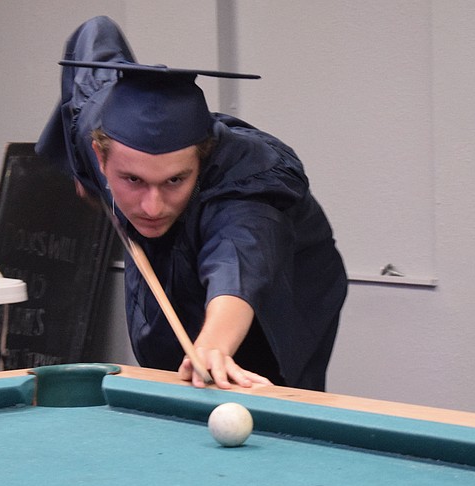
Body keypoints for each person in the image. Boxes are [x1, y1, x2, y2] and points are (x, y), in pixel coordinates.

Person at [37, 16, 347, 391]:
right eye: (133, 180)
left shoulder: (246, 185)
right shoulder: (96, 126)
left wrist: (215, 343)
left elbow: (240, 256)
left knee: (238, 377)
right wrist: (84, 176)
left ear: (201, 160)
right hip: (171, 258)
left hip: (283, 290)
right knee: (175, 363)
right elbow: (95, 34)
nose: (152, 207)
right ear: (100, 157)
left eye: (174, 180)